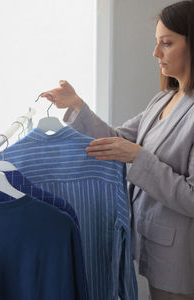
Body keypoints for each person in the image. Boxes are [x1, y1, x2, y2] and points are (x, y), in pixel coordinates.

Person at [41, 1, 194, 299]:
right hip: (154, 244)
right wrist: (77, 106)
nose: (156, 53)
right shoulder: (163, 100)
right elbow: (114, 139)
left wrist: (138, 158)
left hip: (181, 260)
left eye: (166, 43)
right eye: (156, 43)